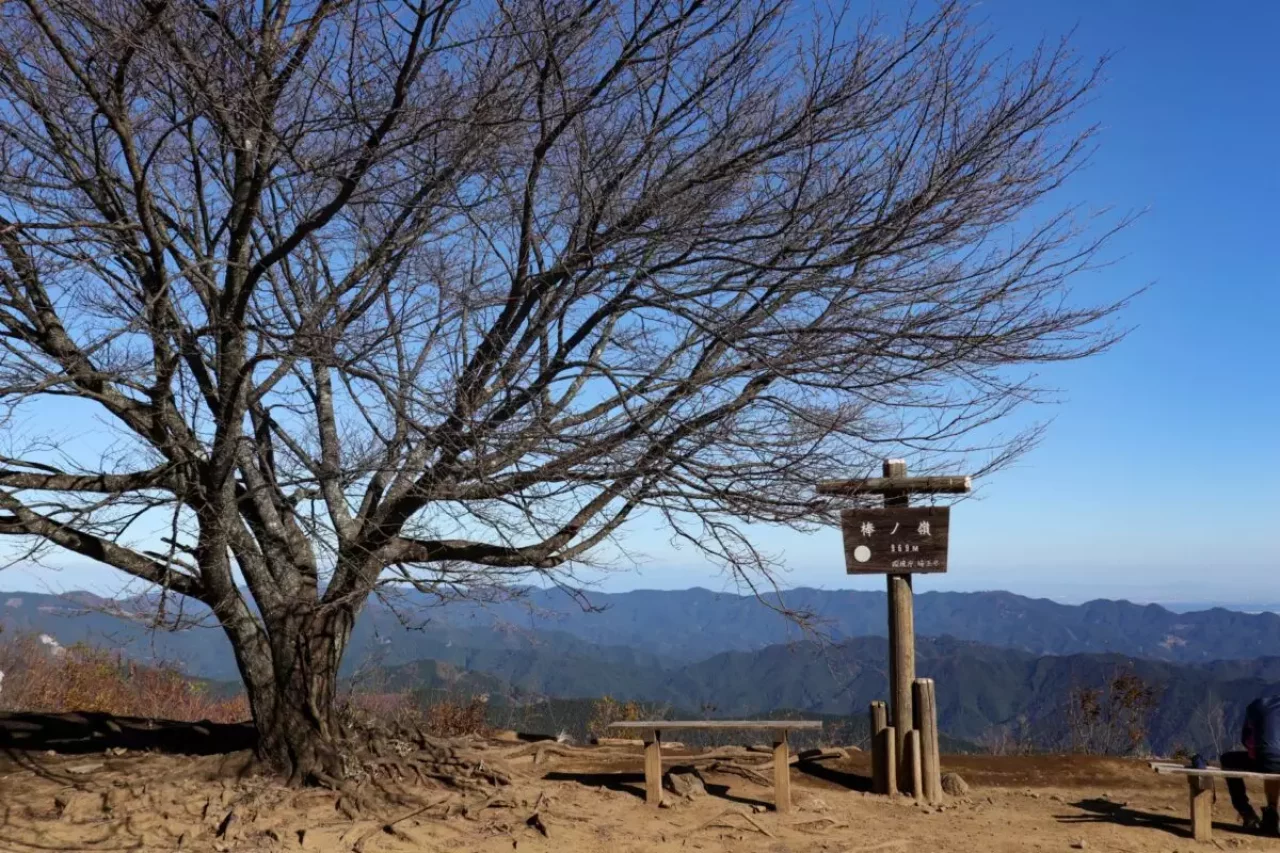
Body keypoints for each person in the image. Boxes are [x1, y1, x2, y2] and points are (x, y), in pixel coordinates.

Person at [1221, 695, 1280, 834]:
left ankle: (1247, 813)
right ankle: (1270, 811)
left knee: (1228, 760)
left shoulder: (1256, 706)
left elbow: (1245, 740)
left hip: (1265, 760)